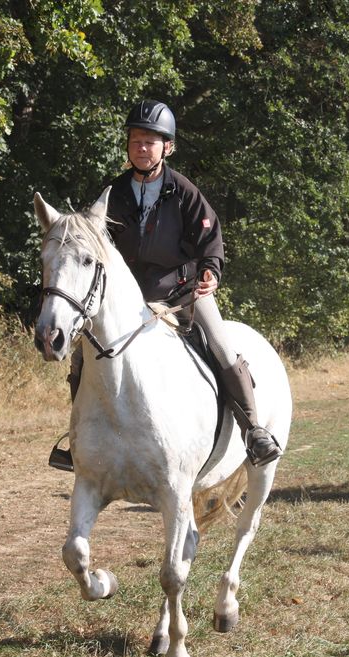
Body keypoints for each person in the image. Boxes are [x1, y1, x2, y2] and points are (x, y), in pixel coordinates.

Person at [48, 99, 283, 472]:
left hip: (181, 293)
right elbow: (91, 243)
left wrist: (211, 271)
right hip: (127, 300)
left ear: (167, 147)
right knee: (81, 357)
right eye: (136, 141)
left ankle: (253, 431)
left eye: (150, 142)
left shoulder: (184, 191)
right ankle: (79, 440)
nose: (141, 148)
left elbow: (210, 237)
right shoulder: (113, 193)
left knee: (222, 347)